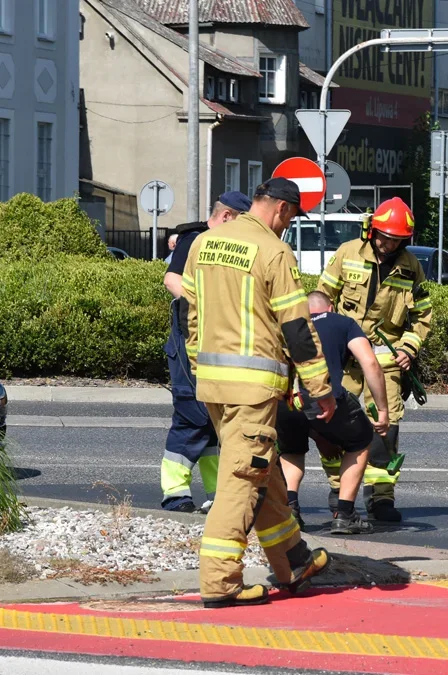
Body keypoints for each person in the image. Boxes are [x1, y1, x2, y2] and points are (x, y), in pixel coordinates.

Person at [180, 177, 332, 608]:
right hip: (253, 389)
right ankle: (220, 583)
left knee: (261, 473)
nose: (287, 226)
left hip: (212, 384)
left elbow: (191, 315)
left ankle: (294, 561)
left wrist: (198, 367)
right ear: (282, 210)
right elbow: (298, 330)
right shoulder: (274, 251)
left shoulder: (206, 243)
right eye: (290, 218)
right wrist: (320, 388)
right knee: (241, 483)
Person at [316, 197, 433, 522]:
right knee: (336, 425)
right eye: (384, 237)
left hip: (385, 361)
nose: (389, 244)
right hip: (344, 359)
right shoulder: (347, 253)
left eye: (397, 239)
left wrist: (408, 349)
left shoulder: (410, 266)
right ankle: (340, 491)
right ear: (371, 231)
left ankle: (381, 498)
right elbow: (322, 300)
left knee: (387, 428)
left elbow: (422, 316)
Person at [159, 191, 251, 513]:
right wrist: (209, 300)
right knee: (193, 415)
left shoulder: (218, 243)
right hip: (188, 345)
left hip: (209, 345)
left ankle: (216, 493)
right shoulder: (196, 239)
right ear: (226, 216)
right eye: (242, 222)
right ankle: (175, 494)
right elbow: (172, 279)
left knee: (212, 421)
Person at [276, 292, 390, 535]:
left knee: (292, 450)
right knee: (361, 440)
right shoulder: (343, 322)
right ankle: (345, 514)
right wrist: (382, 409)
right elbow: (370, 363)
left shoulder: (289, 325)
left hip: (286, 402)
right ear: (331, 306)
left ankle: (291, 511)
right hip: (325, 398)